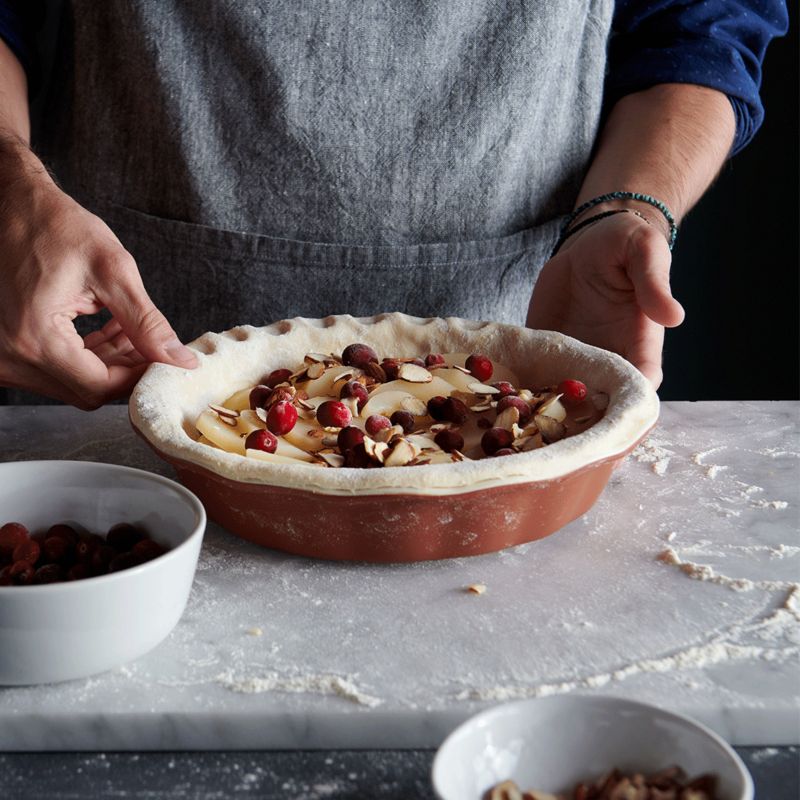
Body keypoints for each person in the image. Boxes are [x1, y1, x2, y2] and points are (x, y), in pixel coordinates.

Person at [0, 1, 788, 408]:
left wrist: (625, 210)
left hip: (522, 343)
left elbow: (701, 26)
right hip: (108, 354)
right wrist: (11, 185)